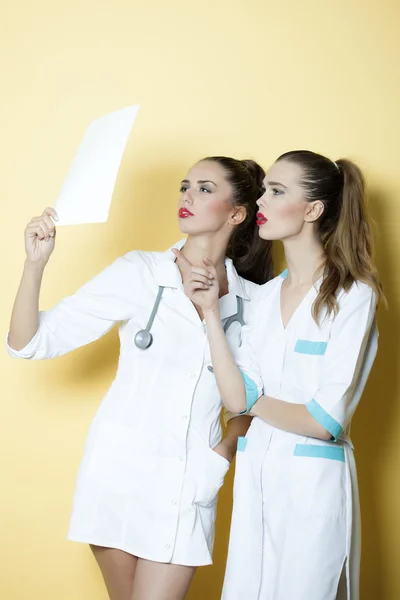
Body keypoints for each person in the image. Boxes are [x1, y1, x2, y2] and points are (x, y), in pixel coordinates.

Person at [7, 156, 272, 600]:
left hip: (190, 479)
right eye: (185, 185)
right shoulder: (141, 273)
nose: (187, 195)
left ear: (237, 213)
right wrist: (35, 264)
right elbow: (30, 342)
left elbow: (258, 399)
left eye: (205, 189)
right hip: (118, 472)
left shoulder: (257, 302)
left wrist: (222, 453)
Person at [175, 150, 384, 600]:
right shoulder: (265, 298)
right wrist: (211, 312)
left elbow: (325, 421)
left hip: (314, 489)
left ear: (312, 210)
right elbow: (234, 398)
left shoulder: (353, 297)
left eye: (276, 191)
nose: (261, 202)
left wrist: (254, 402)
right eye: (264, 189)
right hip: (257, 481)